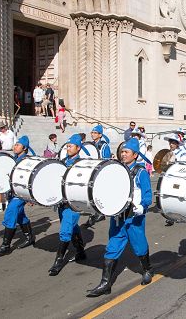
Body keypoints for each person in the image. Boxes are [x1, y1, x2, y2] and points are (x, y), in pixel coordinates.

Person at [87, 138, 153, 297]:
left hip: (133, 217)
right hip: (117, 217)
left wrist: (142, 206)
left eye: (126, 152)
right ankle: (105, 284)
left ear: (135, 155)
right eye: (122, 151)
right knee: (112, 247)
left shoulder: (141, 172)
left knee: (139, 245)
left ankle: (146, 269)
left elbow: (148, 195)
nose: (123, 154)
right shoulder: (117, 169)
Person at [48, 134, 89, 276]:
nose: (68, 148)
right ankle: (80, 251)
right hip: (62, 201)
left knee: (65, 230)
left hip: (73, 202)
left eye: (70, 146)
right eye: (67, 145)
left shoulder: (82, 163)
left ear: (78, 148)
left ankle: (58, 262)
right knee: (72, 226)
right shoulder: (63, 161)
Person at [0, 136, 37, 254]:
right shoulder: (13, 159)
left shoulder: (27, 161)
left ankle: (6, 245)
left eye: (17, 145)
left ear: (24, 148)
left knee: (11, 213)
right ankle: (30, 237)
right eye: (14, 144)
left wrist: (30, 196)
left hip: (21, 193)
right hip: (12, 192)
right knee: (20, 215)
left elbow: (30, 178)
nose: (14, 146)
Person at [87, 125, 112, 226]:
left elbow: (106, 159)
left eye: (95, 133)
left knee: (98, 193)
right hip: (92, 172)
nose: (93, 134)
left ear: (100, 135)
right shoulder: (91, 145)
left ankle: (99, 213)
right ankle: (96, 213)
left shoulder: (104, 146)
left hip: (100, 172)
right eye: (92, 132)